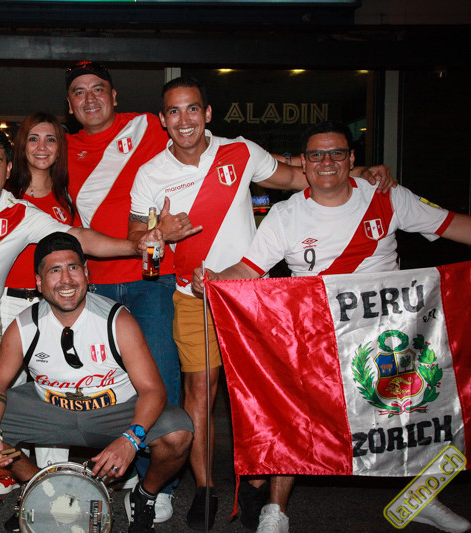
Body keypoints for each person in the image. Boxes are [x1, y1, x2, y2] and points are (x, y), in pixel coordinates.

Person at [129, 77, 397, 530]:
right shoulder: (150, 173)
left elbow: (299, 175)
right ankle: (206, 489)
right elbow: (136, 236)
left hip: (252, 295)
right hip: (193, 295)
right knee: (199, 394)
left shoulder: (240, 151)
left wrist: (363, 172)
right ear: (162, 119)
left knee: (261, 395)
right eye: (174, 111)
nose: (184, 119)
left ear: (207, 113)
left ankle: (255, 483)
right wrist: (159, 234)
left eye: (192, 109)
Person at [194, 120, 471, 533]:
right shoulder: (285, 215)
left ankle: (423, 496)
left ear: (351, 158)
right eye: (317, 155)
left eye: (337, 153)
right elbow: (248, 269)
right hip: (316, 337)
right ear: (304, 163)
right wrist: (215, 280)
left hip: (388, 334)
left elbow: (454, 225)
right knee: (291, 413)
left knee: (426, 409)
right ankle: (276, 511)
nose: (327, 162)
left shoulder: (386, 196)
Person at [0, 124, 163, 533]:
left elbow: (78, 238)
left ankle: (36, 486)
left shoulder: (21, 214)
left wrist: (135, 244)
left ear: (9, 169)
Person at [0, 232, 194, 533]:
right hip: (50, 409)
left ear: (86, 273)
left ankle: (145, 495)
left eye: (73, 268)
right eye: (54, 271)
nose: (66, 280)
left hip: (114, 410)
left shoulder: (116, 320)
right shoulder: (25, 325)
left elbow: (153, 389)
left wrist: (131, 439)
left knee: (179, 432)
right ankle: (40, 488)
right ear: (39, 282)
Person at [64, 61, 191, 523]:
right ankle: (117, 463)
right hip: (93, 283)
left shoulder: (148, 128)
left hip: (151, 279)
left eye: (99, 89)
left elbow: (219, 152)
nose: (90, 98)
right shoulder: (58, 148)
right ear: (70, 105)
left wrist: (332, 169)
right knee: (106, 383)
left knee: (161, 376)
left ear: (115, 96)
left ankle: (158, 481)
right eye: (79, 92)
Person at [0, 112, 78, 495]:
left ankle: (53, 478)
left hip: (53, 309)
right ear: (21, 146)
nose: (42, 147)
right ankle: (12, 471)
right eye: (33, 139)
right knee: (8, 392)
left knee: (52, 393)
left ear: (60, 148)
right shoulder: (4, 194)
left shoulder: (66, 197)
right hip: (8, 304)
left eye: (50, 139)